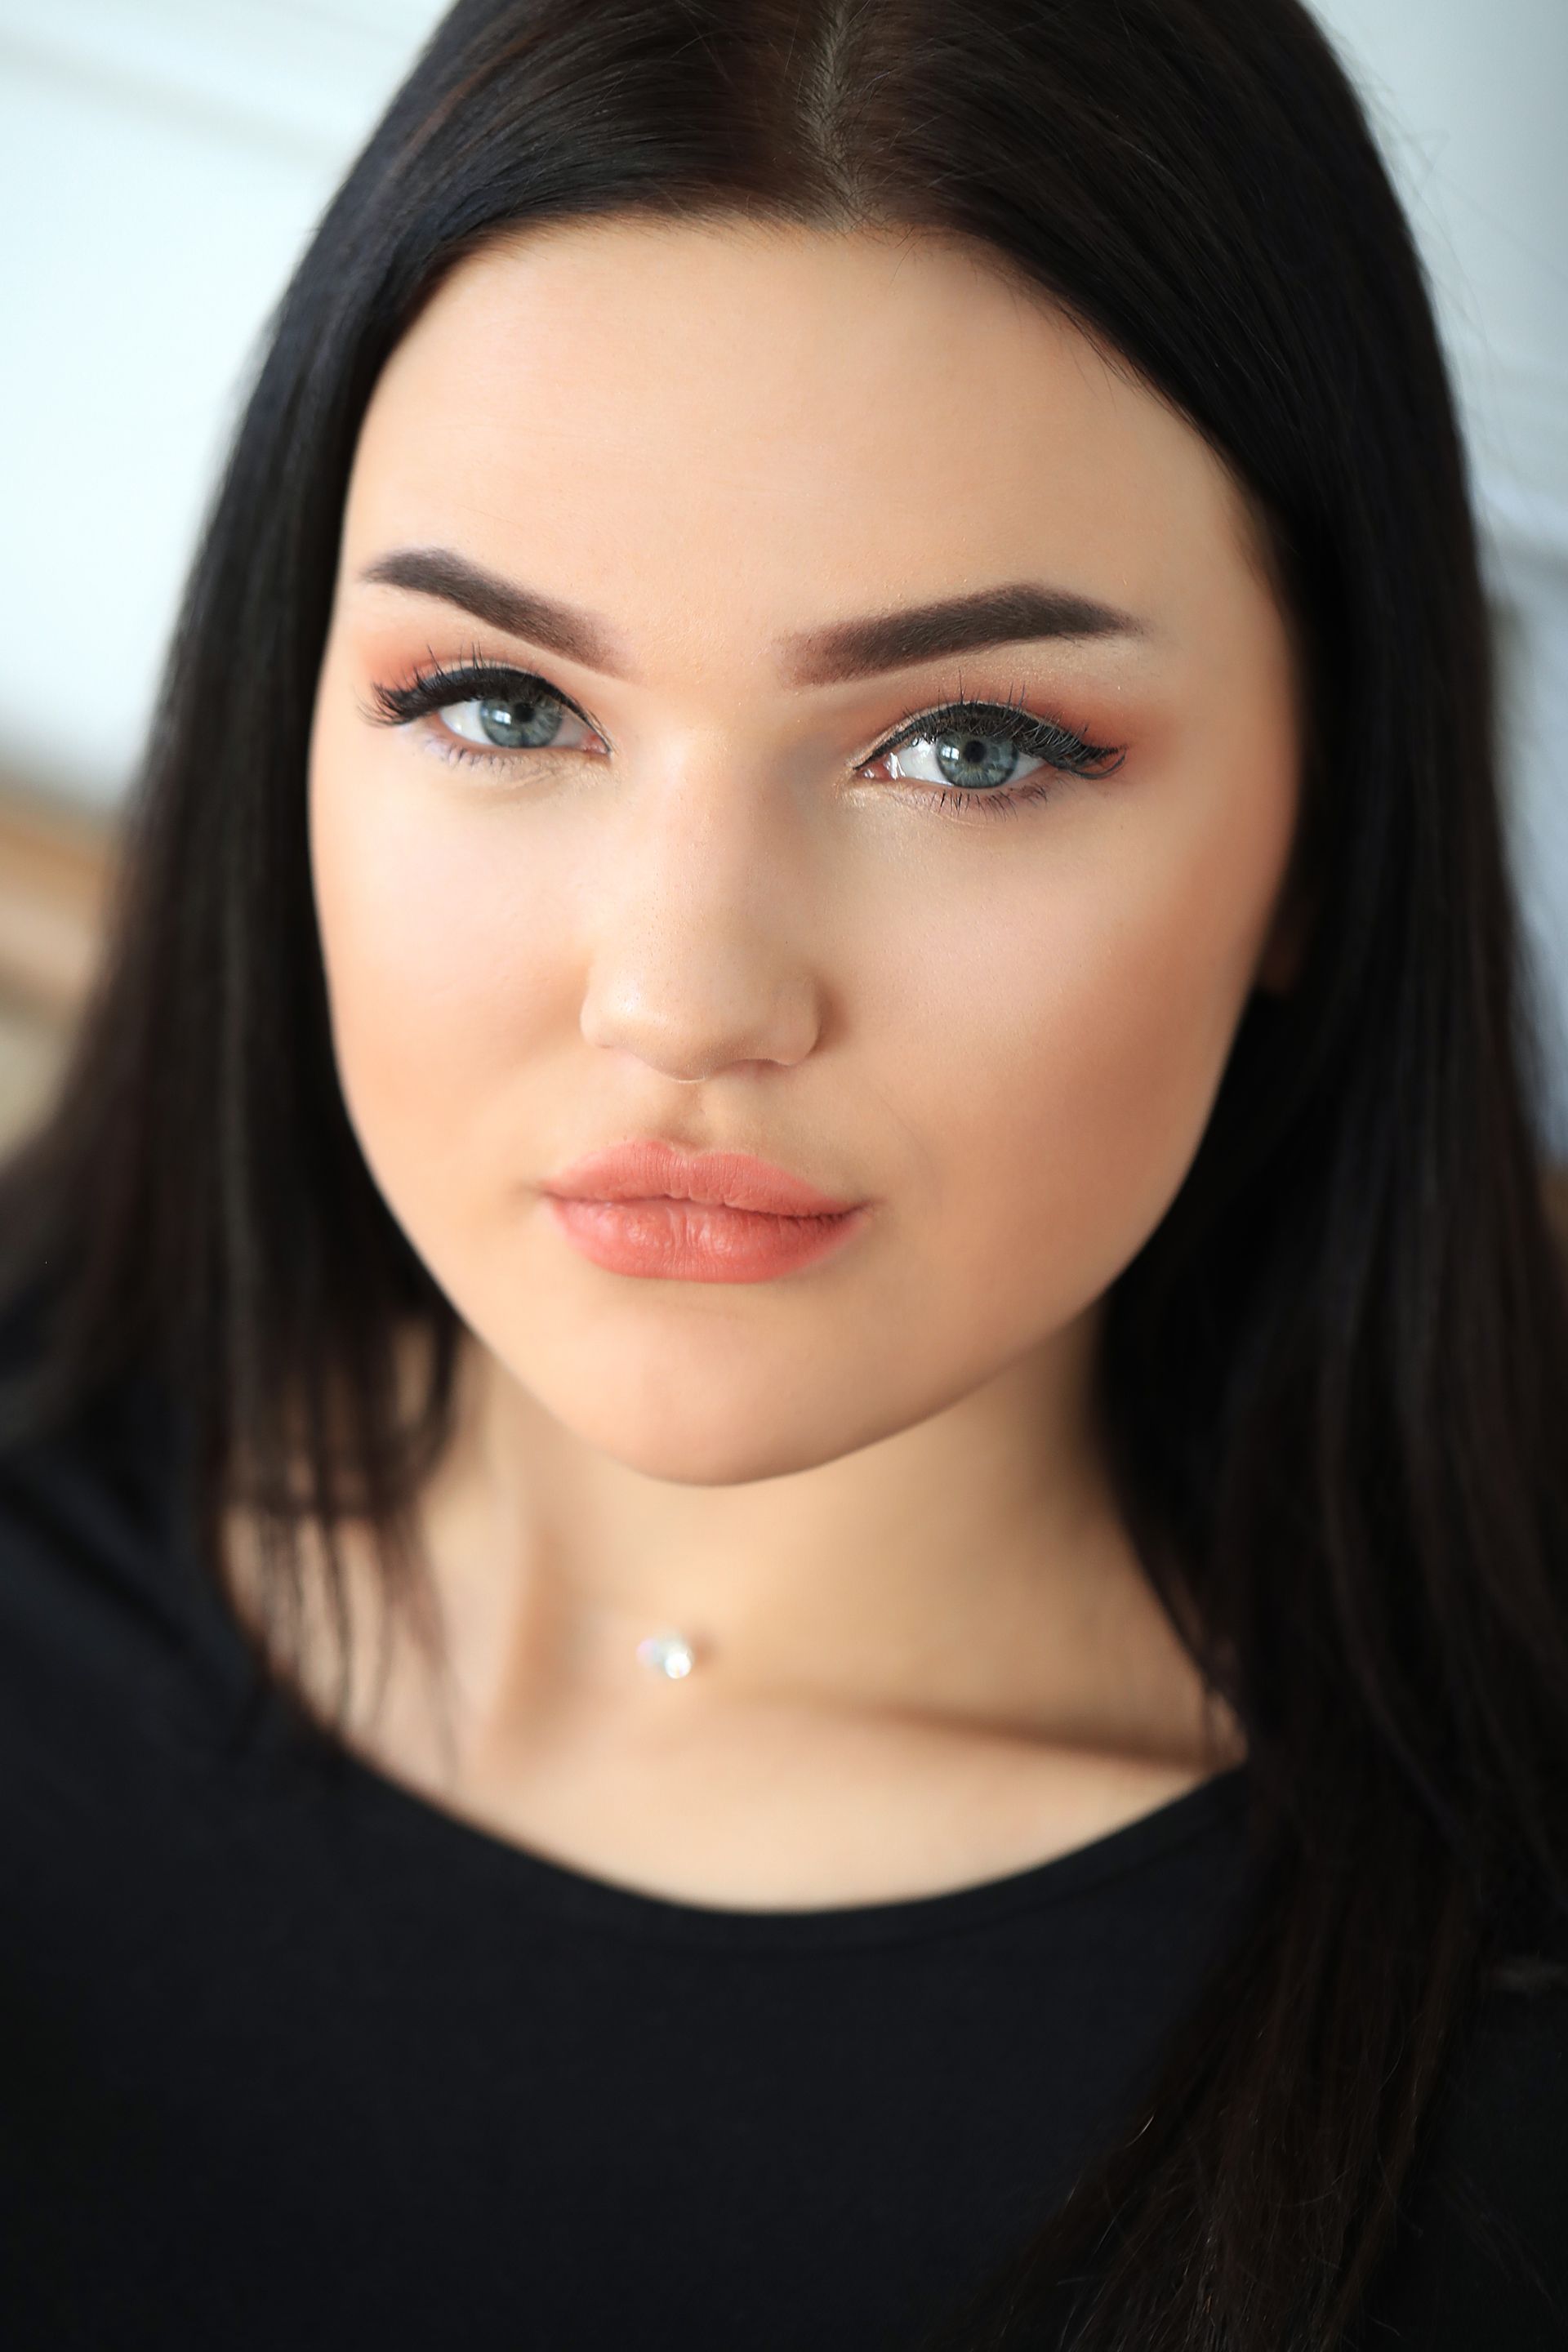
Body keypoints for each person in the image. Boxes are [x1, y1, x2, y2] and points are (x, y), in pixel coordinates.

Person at [2, 1, 1566, 2345]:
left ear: (1326, 835)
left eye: (972, 744)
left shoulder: (1492, 2099)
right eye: (502, 704)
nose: (689, 992)